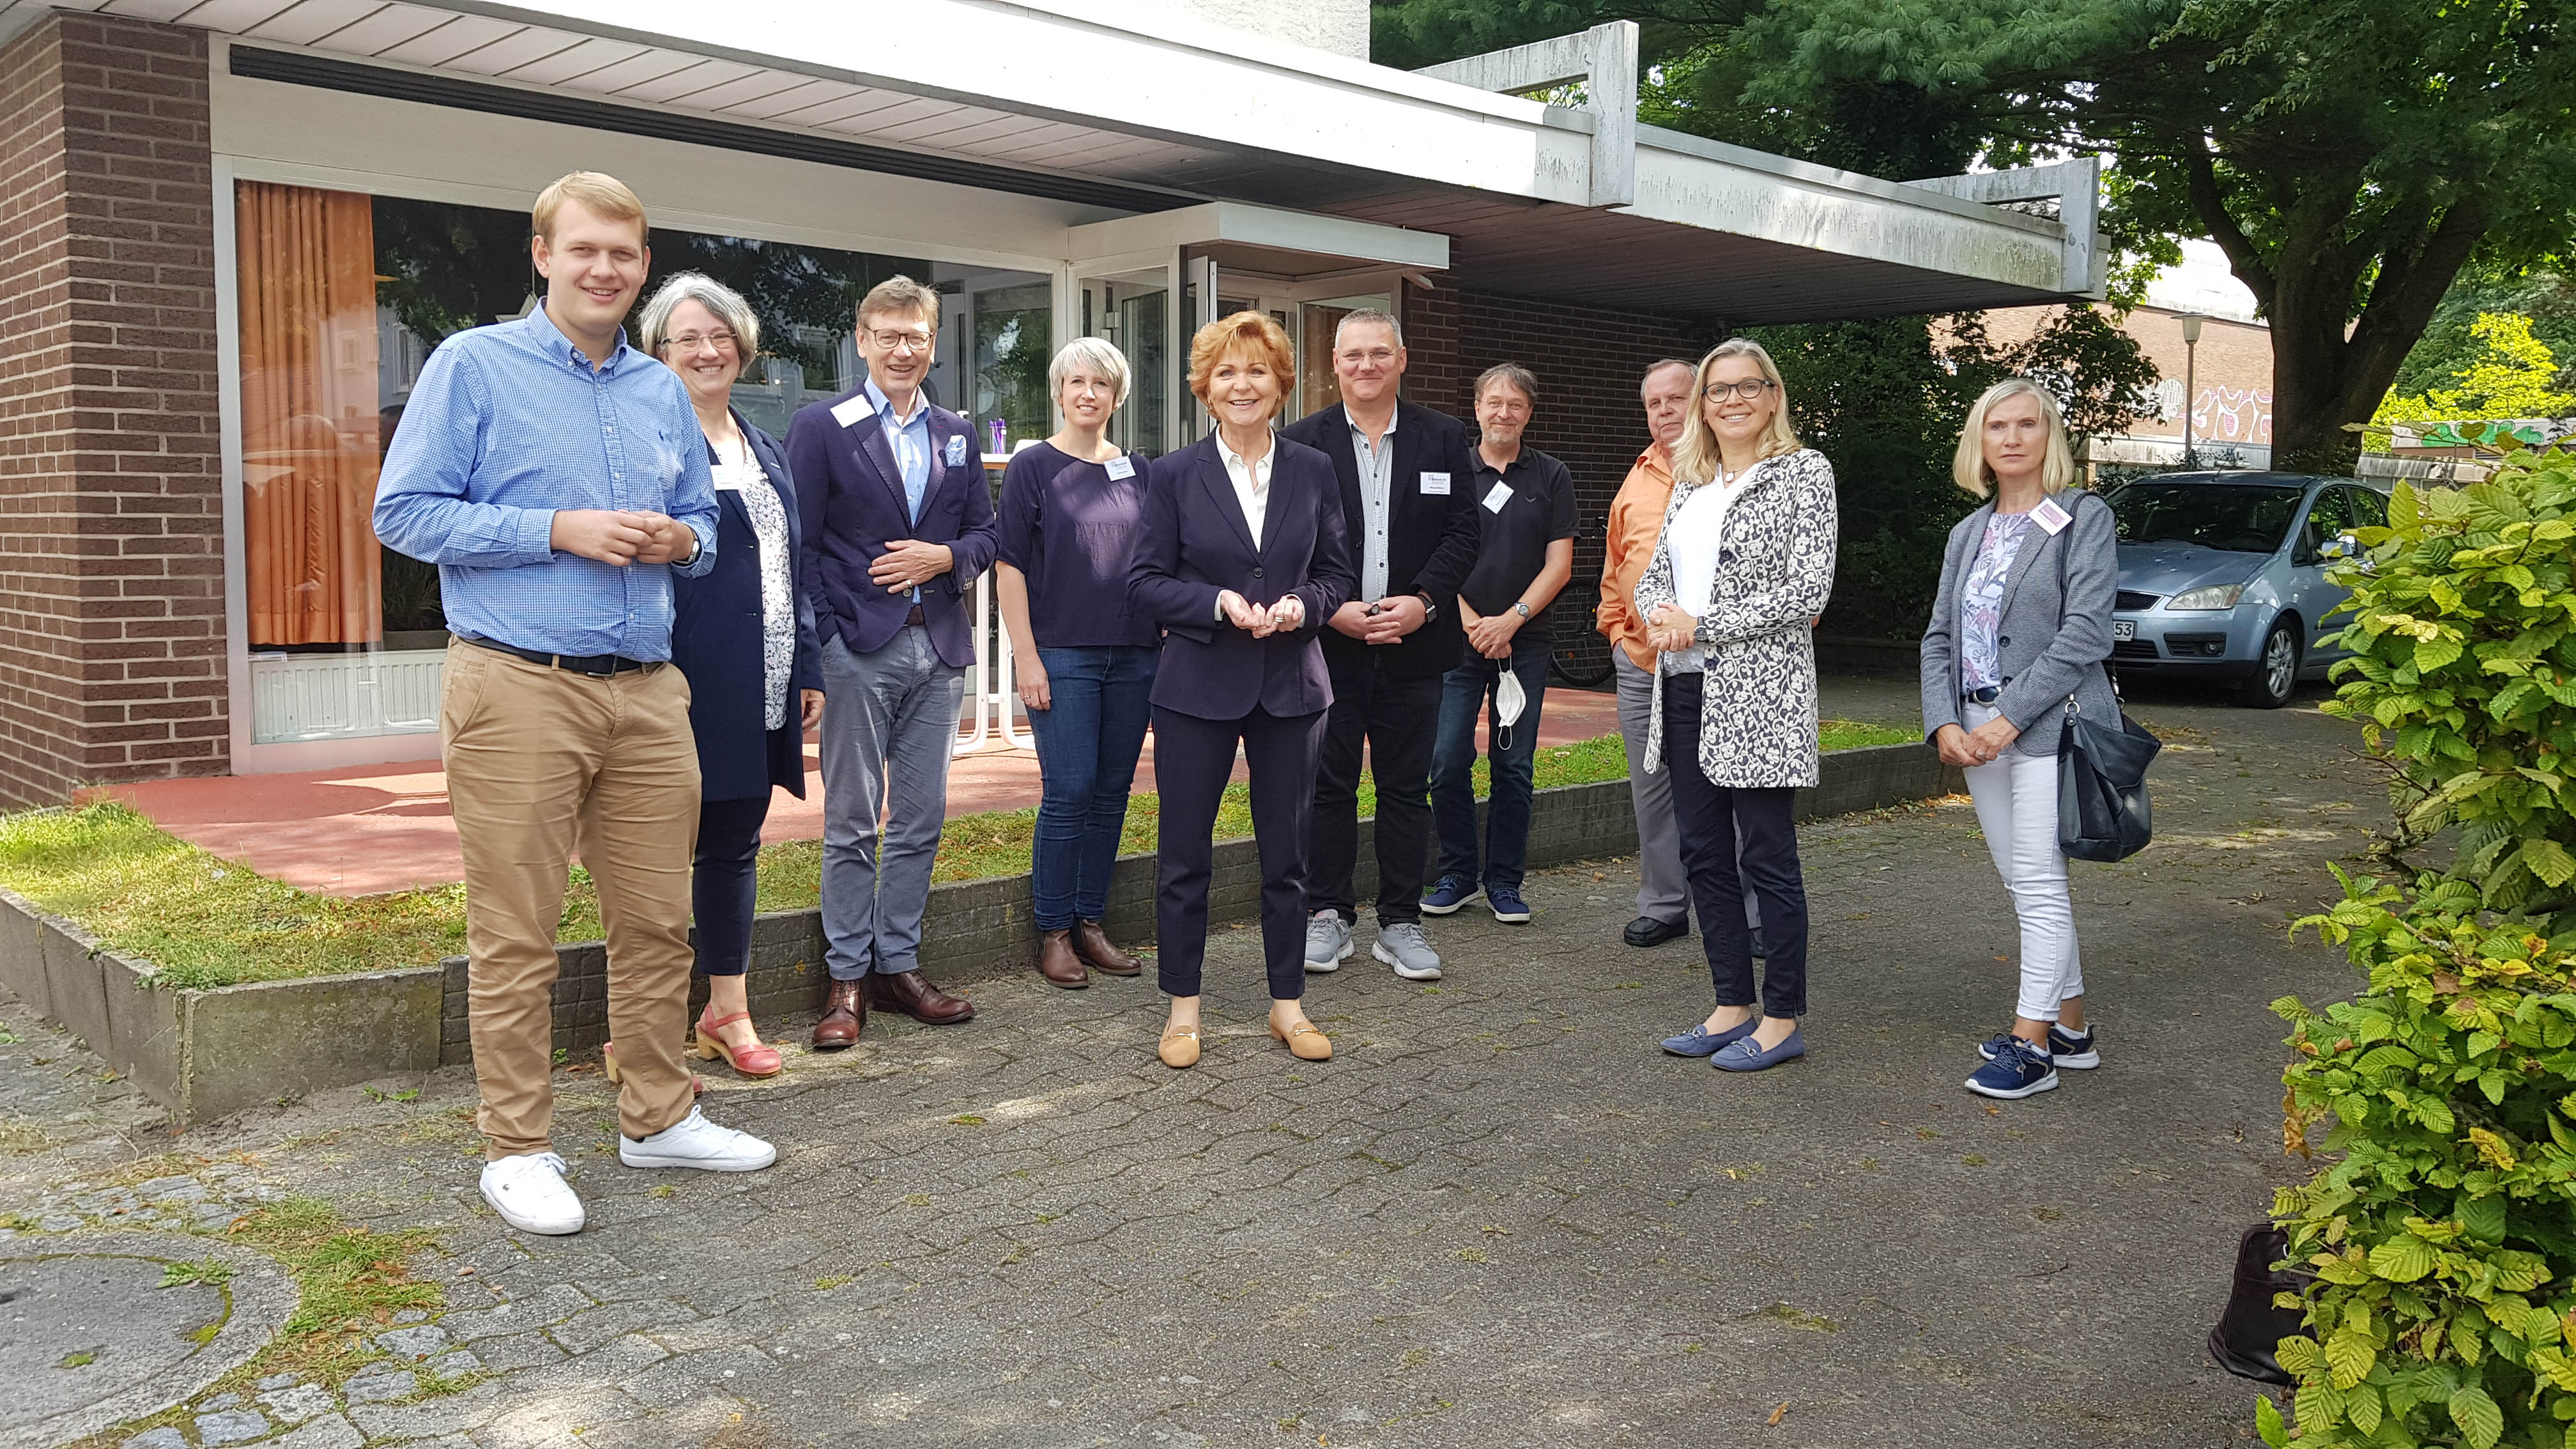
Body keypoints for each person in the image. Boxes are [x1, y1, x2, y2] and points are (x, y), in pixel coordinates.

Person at [374, 172, 775, 1238]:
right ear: (544, 255)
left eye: (625, 255)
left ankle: (656, 1114)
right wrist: (557, 528)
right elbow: (403, 512)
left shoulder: (657, 387)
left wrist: (679, 541)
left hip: (648, 690)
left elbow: (703, 524)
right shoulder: (473, 365)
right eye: (585, 249)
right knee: (516, 927)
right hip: (517, 683)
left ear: (642, 266)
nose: (605, 269)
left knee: (657, 918)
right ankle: (517, 1146)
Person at [1126, 312, 1354, 1070]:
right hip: (1196, 686)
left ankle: (1287, 1003)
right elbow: (1144, 581)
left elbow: (1338, 576)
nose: (1242, 384)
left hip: (1293, 686)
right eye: (1226, 372)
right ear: (1205, 388)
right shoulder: (1171, 474)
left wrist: (1305, 607)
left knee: (1288, 856)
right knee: (1184, 854)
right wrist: (1216, 602)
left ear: (1280, 384)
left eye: (1256, 371)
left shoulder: (1314, 470)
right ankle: (1183, 1010)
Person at [786, 277, 998, 1048]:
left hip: (937, 649)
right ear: (862, 339)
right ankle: (846, 979)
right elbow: (800, 546)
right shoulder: (822, 427)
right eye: (889, 335)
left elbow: (986, 534)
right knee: (850, 821)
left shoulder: (955, 432)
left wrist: (944, 557)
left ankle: (897, 965)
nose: (903, 349)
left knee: (920, 818)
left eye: (917, 337)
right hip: (856, 652)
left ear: (933, 343)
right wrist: (825, 643)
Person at [627, 272, 823, 1080]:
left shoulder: (763, 440)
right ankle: (639, 1025)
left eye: (720, 337)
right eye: (688, 339)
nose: (708, 351)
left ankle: (727, 1011)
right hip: (675, 680)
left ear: (742, 348)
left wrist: (806, 663)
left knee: (734, 849)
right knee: (654, 854)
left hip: (764, 677)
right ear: (659, 352)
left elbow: (789, 564)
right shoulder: (647, 443)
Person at [1637, 339, 1837, 1073]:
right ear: (1703, 406)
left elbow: (1806, 589)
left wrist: (1701, 623)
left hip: (1759, 698)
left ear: (1774, 396)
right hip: (1683, 688)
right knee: (1703, 857)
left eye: (1747, 387)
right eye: (1718, 390)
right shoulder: (1692, 483)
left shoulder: (1804, 474)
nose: (1732, 400)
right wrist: (1658, 610)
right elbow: (1652, 573)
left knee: (1767, 857)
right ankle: (1731, 1005)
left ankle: (1782, 1019)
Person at [1920, 378, 2117, 1100]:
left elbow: (2086, 633)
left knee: (2037, 884)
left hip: (2046, 728)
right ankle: (2071, 1027)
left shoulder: (2082, 518)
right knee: (2025, 883)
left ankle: (2031, 1046)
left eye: (2026, 425)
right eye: (1996, 426)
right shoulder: (1966, 533)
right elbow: (1939, 636)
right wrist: (1944, 720)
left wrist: (2009, 719)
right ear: (1979, 441)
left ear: (2049, 437)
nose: (2011, 438)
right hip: (1973, 732)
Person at [1278, 310, 1480, 983]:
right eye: (1353, 355)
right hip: (1329, 647)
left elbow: (1464, 535)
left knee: (1403, 789)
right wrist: (1328, 610)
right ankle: (1327, 916)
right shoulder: (1300, 443)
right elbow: (1285, 543)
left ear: (1402, 359)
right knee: (1328, 787)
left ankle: (1401, 922)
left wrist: (1423, 604)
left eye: (1379, 354)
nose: (1366, 366)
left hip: (1415, 645)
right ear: (1333, 363)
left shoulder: (1446, 437)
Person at [996, 337, 1158, 989]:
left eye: (1100, 383)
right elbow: (1009, 567)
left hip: (1138, 654)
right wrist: (1026, 658)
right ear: (1059, 393)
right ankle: (1055, 932)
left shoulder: (1142, 471)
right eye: (1075, 382)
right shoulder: (1033, 467)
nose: (1087, 392)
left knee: (1113, 793)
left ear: (1117, 396)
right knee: (1068, 791)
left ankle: (1092, 922)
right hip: (1062, 654)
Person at [1601, 362, 1772, 954]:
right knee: (1652, 793)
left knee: (1728, 789)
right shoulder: (1639, 475)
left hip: (1727, 663)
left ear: (1700, 401)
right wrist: (1619, 634)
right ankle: (1665, 904)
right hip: (1643, 664)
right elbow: (1617, 563)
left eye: (1678, 397)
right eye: (1654, 403)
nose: (1666, 411)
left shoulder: (1730, 472)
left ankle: (1748, 914)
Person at [1423, 364, 1574, 926]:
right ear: (1478, 407)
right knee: (1446, 759)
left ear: (1529, 412)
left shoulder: (1551, 475)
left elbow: (1560, 565)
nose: (1503, 412)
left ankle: (1505, 882)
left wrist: (1510, 620)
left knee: (1514, 765)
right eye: (1493, 401)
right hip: (1456, 639)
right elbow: (1432, 552)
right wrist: (1470, 622)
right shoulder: (1450, 470)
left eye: (1515, 404)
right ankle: (1458, 874)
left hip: (1525, 642)